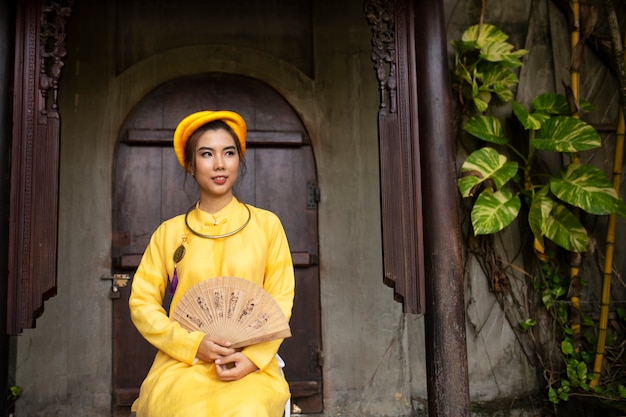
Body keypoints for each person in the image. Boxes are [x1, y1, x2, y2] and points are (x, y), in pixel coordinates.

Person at [129, 110, 295, 416]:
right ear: (190, 165)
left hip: (251, 366)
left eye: (229, 153)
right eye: (207, 154)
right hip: (183, 364)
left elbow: (280, 299)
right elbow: (142, 303)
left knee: (249, 409)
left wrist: (253, 358)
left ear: (238, 160)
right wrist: (191, 345)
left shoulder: (267, 225)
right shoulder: (169, 234)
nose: (220, 164)